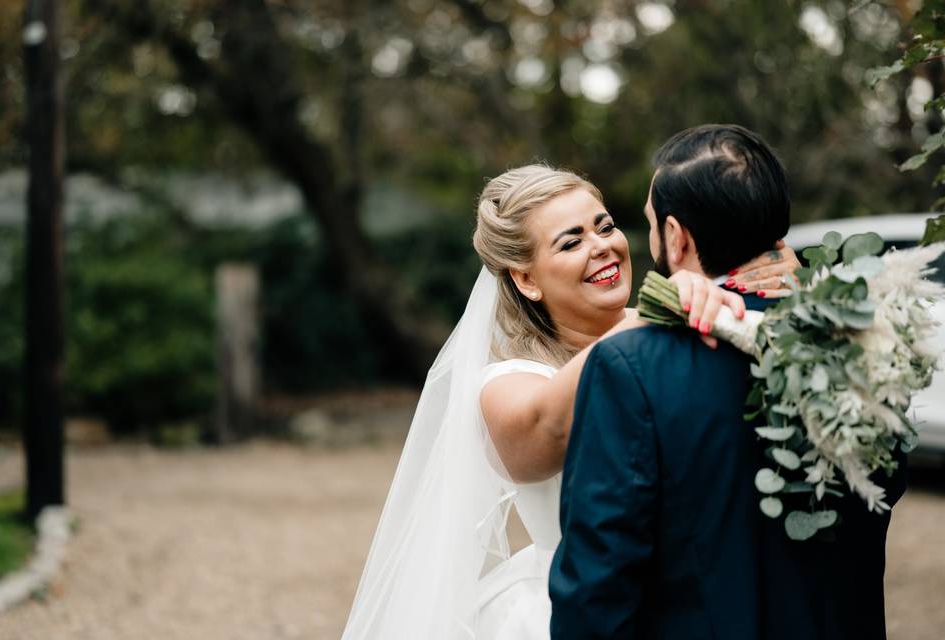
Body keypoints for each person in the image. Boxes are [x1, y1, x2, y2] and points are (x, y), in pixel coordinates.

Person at [341, 163, 799, 639]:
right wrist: (661, 308)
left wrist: (790, 299)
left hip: (705, 601)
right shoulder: (508, 382)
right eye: (571, 241)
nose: (601, 245)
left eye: (605, 227)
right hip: (578, 613)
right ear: (526, 279)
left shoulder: (675, 319)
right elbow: (541, 430)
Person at [549, 124, 906, 640]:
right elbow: (882, 493)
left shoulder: (629, 367)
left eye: (651, 223)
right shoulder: (865, 341)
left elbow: (596, 583)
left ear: (676, 236)